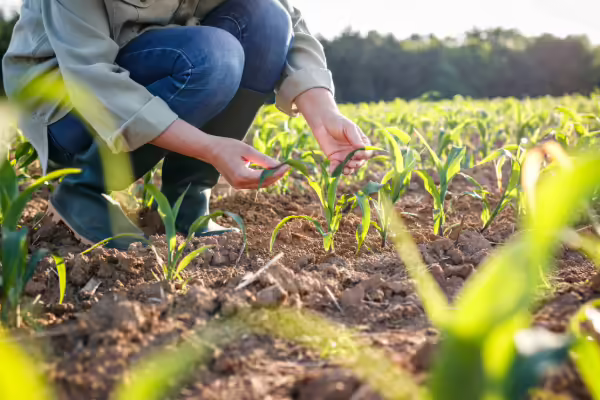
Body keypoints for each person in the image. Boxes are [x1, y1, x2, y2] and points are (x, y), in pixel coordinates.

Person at [2, 0, 371, 250]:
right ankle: (83, 185)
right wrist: (210, 147)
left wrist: (324, 115)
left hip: (159, 57)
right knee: (214, 58)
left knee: (266, 18)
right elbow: (92, 79)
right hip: (65, 103)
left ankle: (186, 202)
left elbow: (288, 23)